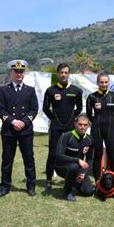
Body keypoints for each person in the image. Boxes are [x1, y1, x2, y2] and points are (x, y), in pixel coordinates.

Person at [0, 59, 38, 197]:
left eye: (21, 71)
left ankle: (31, 186)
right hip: (9, 130)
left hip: (25, 130)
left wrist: (24, 122)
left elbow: (34, 109)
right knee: (7, 159)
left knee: (29, 159)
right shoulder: (3, 90)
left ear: (24, 73)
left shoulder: (30, 90)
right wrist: (13, 121)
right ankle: (5, 186)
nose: (19, 74)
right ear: (11, 73)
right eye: (16, 71)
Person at [43, 63, 83, 194]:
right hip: (56, 128)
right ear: (58, 73)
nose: (63, 75)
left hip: (70, 127)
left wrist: (72, 119)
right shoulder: (51, 91)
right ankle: (48, 181)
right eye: (61, 72)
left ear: (69, 74)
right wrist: (53, 118)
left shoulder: (76, 90)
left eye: (66, 72)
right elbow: (45, 108)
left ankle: (70, 181)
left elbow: (79, 108)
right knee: (53, 154)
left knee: (71, 154)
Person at [86, 73, 114, 181]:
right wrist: (97, 121)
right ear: (97, 83)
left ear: (109, 82)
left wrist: (109, 121)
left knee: (112, 155)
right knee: (97, 155)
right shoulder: (92, 97)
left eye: (106, 82)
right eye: (101, 82)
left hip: (110, 129)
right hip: (97, 129)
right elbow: (88, 114)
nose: (104, 84)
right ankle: (97, 180)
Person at [55, 114, 94, 201]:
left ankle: (74, 183)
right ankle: (67, 192)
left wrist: (83, 173)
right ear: (75, 124)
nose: (82, 127)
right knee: (74, 166)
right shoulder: (66, 136)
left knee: (89, 192)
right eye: (80, 124)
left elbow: (90, 159)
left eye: (85, 125)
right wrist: (78, 160)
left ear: (88, 126)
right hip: (62, 167)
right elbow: (58, 156)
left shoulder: (89, 139)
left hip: (77, 169)